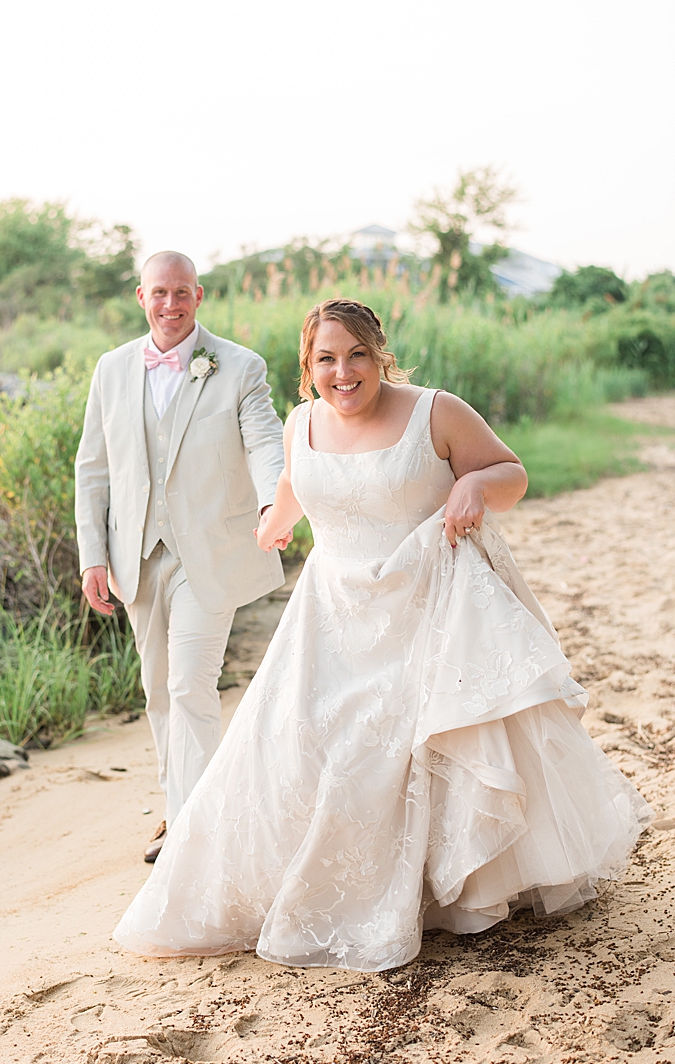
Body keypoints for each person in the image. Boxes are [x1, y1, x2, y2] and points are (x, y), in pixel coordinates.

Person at [114, 297, 651, 971]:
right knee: (302, 739)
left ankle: (438, 891)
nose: (344, 372)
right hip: (332, 613)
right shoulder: (301, 422)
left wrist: (476, 484)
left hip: (429, 606)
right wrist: (271, 522)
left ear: (379, 353)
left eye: (357, 355)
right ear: (307, 369)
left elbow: (511, 472)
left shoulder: (436, 410)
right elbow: (293, 484)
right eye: (326, 359)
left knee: (409, 746)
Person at [74, 251, 287, 862]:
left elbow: (265, 443)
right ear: (141, 297)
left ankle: (193, 827)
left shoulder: (239, 366)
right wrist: (93, 555)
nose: (171, 305)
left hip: (210, 554)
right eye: (159, 293)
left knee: (191, 683)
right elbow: (93, 470)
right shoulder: (112, 369)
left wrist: (275, 504)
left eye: (182, 293)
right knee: (157, 689)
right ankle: (178, 808)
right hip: (135, 555)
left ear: (200, 296)